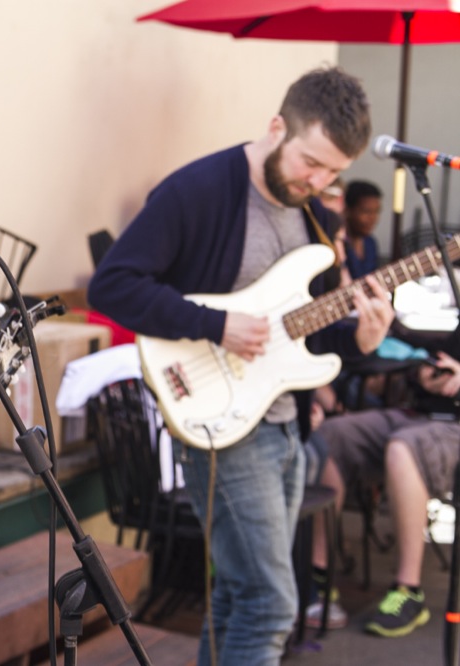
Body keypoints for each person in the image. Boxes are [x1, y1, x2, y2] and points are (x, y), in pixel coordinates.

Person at [87, 66, 396, 666]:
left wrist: (363, 335)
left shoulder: (318, 221)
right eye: (312, 161)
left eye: (335, 171)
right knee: (271, 603)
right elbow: (112, 286)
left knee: (235, 596)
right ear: (278, 126)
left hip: (283, 424)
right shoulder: (197, 191)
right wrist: (216, 325)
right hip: (219, 424)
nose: (321, 181)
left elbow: (310, 332)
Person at [308, 337, 460, 637]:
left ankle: (408, 589)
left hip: (450, 427)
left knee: (403, 447)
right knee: (332, 434)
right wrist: (425, 376)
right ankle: (318, 574)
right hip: (419, 414)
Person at [343, 179, 383, 279]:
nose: (373, 218)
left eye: (376, 212)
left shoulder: (370, 243)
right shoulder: (338, 245)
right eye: (366, 211)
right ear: (348, 210)